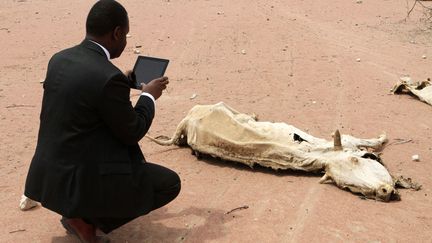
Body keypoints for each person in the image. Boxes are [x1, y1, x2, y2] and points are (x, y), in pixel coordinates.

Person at [23, 0, 181, 242]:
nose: (126, 41)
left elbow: (85, 99)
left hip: (47, 174)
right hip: (79, 179)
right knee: (168, 184)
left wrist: (123, 85)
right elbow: (133, 130)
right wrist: (149, 95)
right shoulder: (107, 77)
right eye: (125, 35)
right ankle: (85, 222)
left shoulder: (59, 59)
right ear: (116, 33)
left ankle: (77, 213)